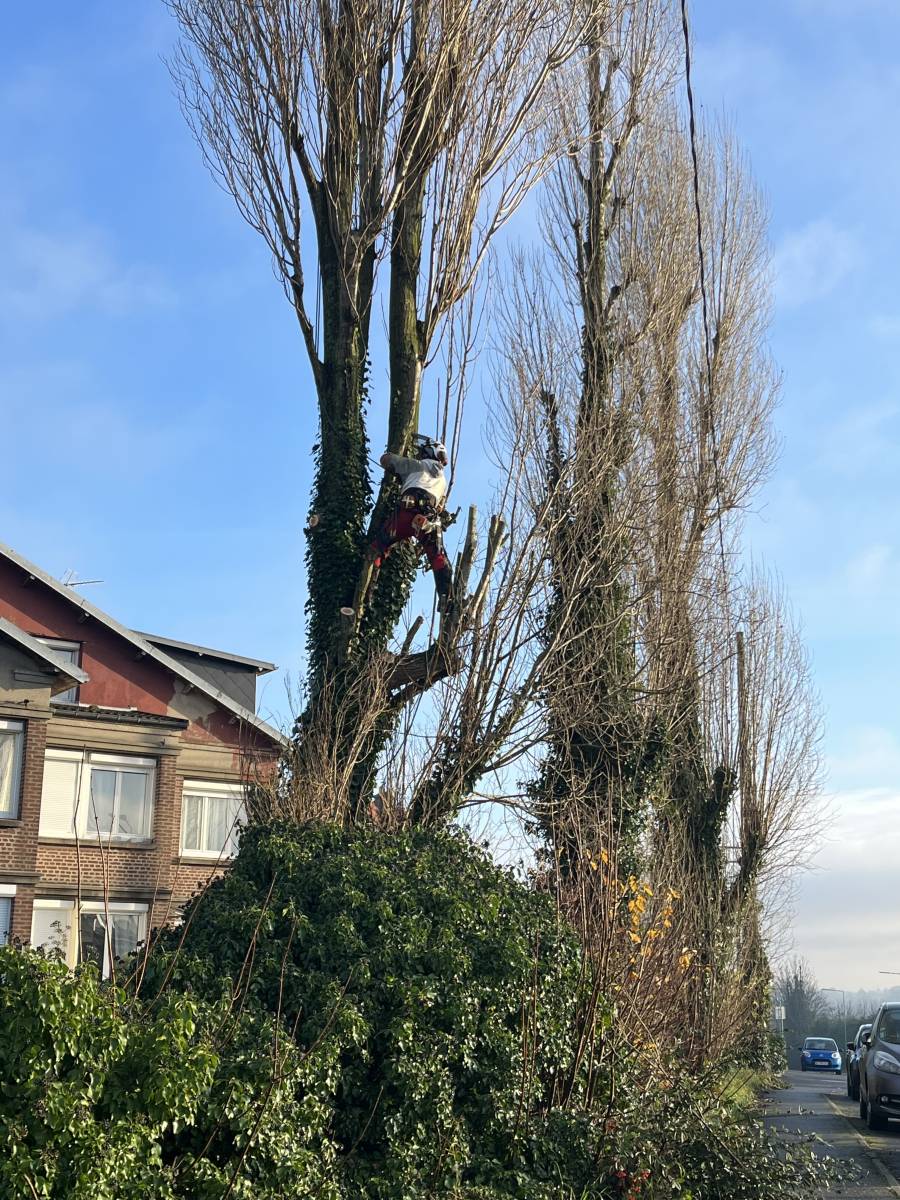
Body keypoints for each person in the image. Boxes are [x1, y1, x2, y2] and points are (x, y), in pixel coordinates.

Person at [371, 436, 454, 614]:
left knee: (379, 546)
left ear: (427, 452)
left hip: (405, 511)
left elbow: (385, 460)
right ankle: (446, 598)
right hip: (427, 517)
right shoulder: (443, 483)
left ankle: (369, 587)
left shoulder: (417, 465)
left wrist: (397, 468)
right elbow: (440, 507)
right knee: (438, 557)